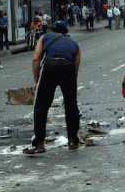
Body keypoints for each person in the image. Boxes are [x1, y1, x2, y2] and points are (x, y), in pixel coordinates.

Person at [23, 21, 81, 154]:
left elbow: (36, 59)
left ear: (53, 29)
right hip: (68, 68)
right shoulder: (74, 44)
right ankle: (73, 140)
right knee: (71, 106)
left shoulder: (45, 37)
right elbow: (76, 69)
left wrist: (36, 81)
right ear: (66, 32)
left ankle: (39, 143)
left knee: (41, 105)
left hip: (50, 66)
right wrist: (70, 92)